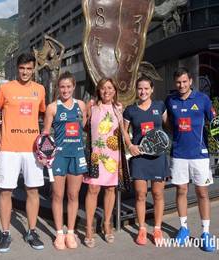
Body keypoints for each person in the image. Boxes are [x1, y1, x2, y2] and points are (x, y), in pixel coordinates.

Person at [0, 53, 46, 253]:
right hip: (8, 148)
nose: (25, 72)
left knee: (33, 191)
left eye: (29, 68)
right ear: (17, 68)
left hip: (32, 149)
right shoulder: (5, 89)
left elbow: (43, 114)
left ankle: (31, 231)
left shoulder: (40, 90)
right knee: (6, 191)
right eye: (22, 68)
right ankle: (5, 234)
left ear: (33, 69)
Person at [165, 67, 216, 252]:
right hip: (179, 154)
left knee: (202, 193)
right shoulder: (170, 100)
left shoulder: (203, 99)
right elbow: (168, 123)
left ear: (191, 81)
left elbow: (215, 122)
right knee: (181, 191)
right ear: (175, 83)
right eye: (178, 82)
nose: (182, 85)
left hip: (200, 155)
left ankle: (206, 233)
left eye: (185, 81)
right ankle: (184, 228)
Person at [42, 71, 87, 250]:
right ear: (58, 88)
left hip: (77, 154)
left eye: (69, 86)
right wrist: (44, 155)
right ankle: (59, 233)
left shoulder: (81, 105)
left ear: (74, 87)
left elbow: (86, 128)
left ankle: (71, 232)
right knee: (58, 195)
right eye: (62, 87)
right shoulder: (52, 107)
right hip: (59, 156)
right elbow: (45, 134)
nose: (65, 90)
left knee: (73, 195)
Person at [122, 76, 169, 246]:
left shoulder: (159, 106)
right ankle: (142, 229)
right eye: (140, 88)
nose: (143, 92)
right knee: (141, 194)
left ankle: (157, 228)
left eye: (146, 89)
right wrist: (130, 145)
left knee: (157, 194)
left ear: (152, 89)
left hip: (158, 157)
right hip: (140, 157)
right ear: (136, 89)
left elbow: (169, 126)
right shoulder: (130, 110)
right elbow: (124, 131)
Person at [83, 78, 123, 248]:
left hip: (113, 154)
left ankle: (107, 224)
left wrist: (122, 158)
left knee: (110, 189)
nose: (106, 91)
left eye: (110, 88)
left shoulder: (118, 108)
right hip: (95, 153)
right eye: (103, 88)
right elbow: (84, 127)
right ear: (98, 90)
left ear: (114, 90)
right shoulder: (91, 106)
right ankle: (88, 228)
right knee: (93, 189)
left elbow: (122, 133)